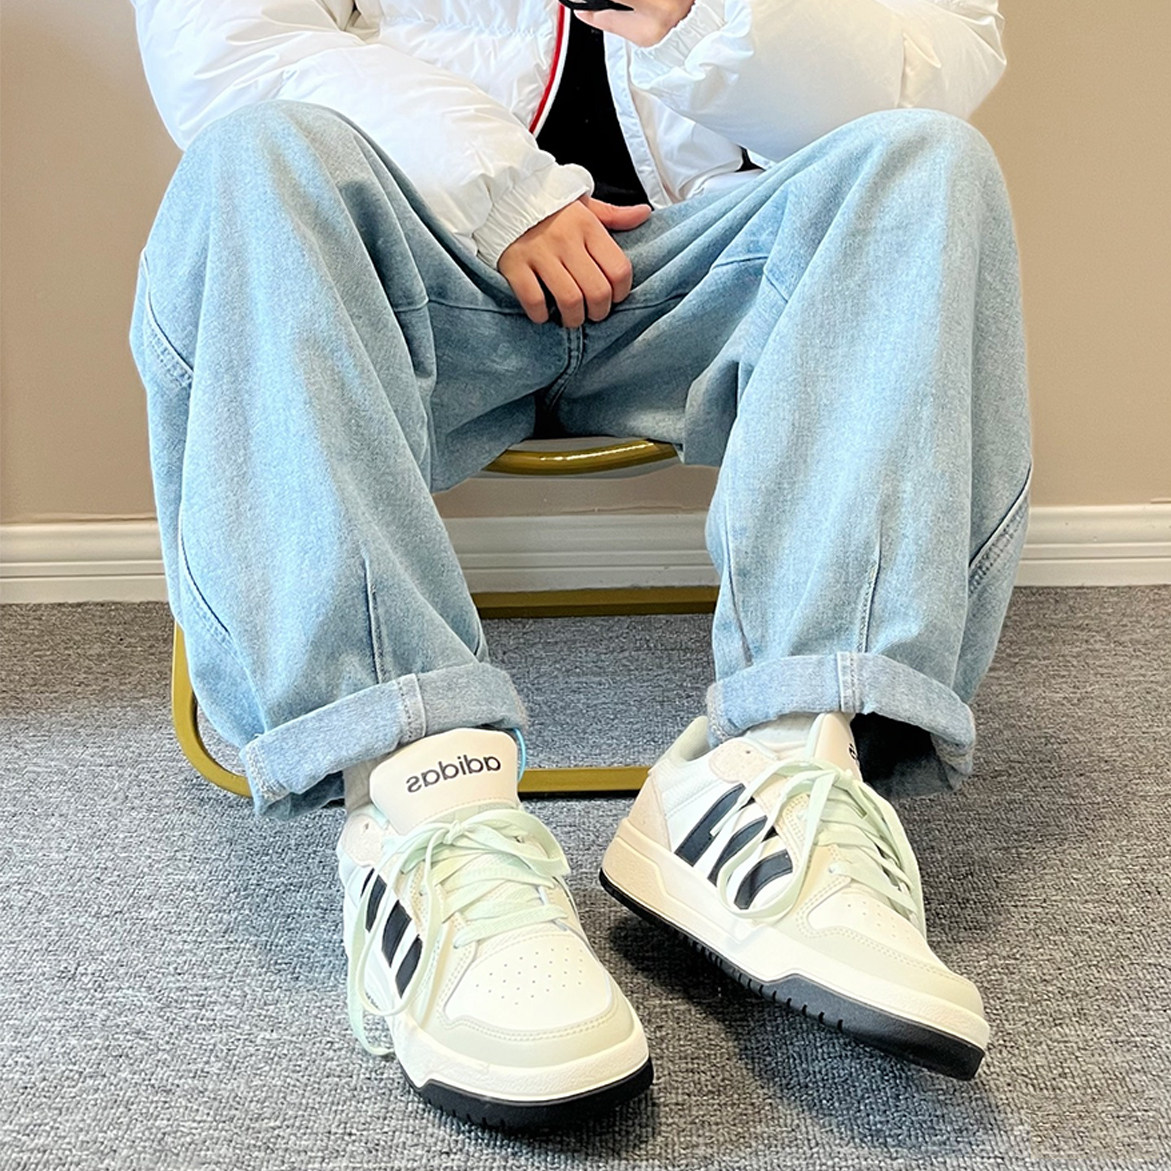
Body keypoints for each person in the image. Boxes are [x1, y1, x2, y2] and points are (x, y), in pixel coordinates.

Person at [128, 0, 1031, 1130]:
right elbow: (226, 44)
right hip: (417, 253)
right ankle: (427, 808)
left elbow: (927, 63)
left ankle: (786, 766)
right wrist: (502, 192)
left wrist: (701, 15)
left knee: (928, 162)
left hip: (711, 259)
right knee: (251, 161)